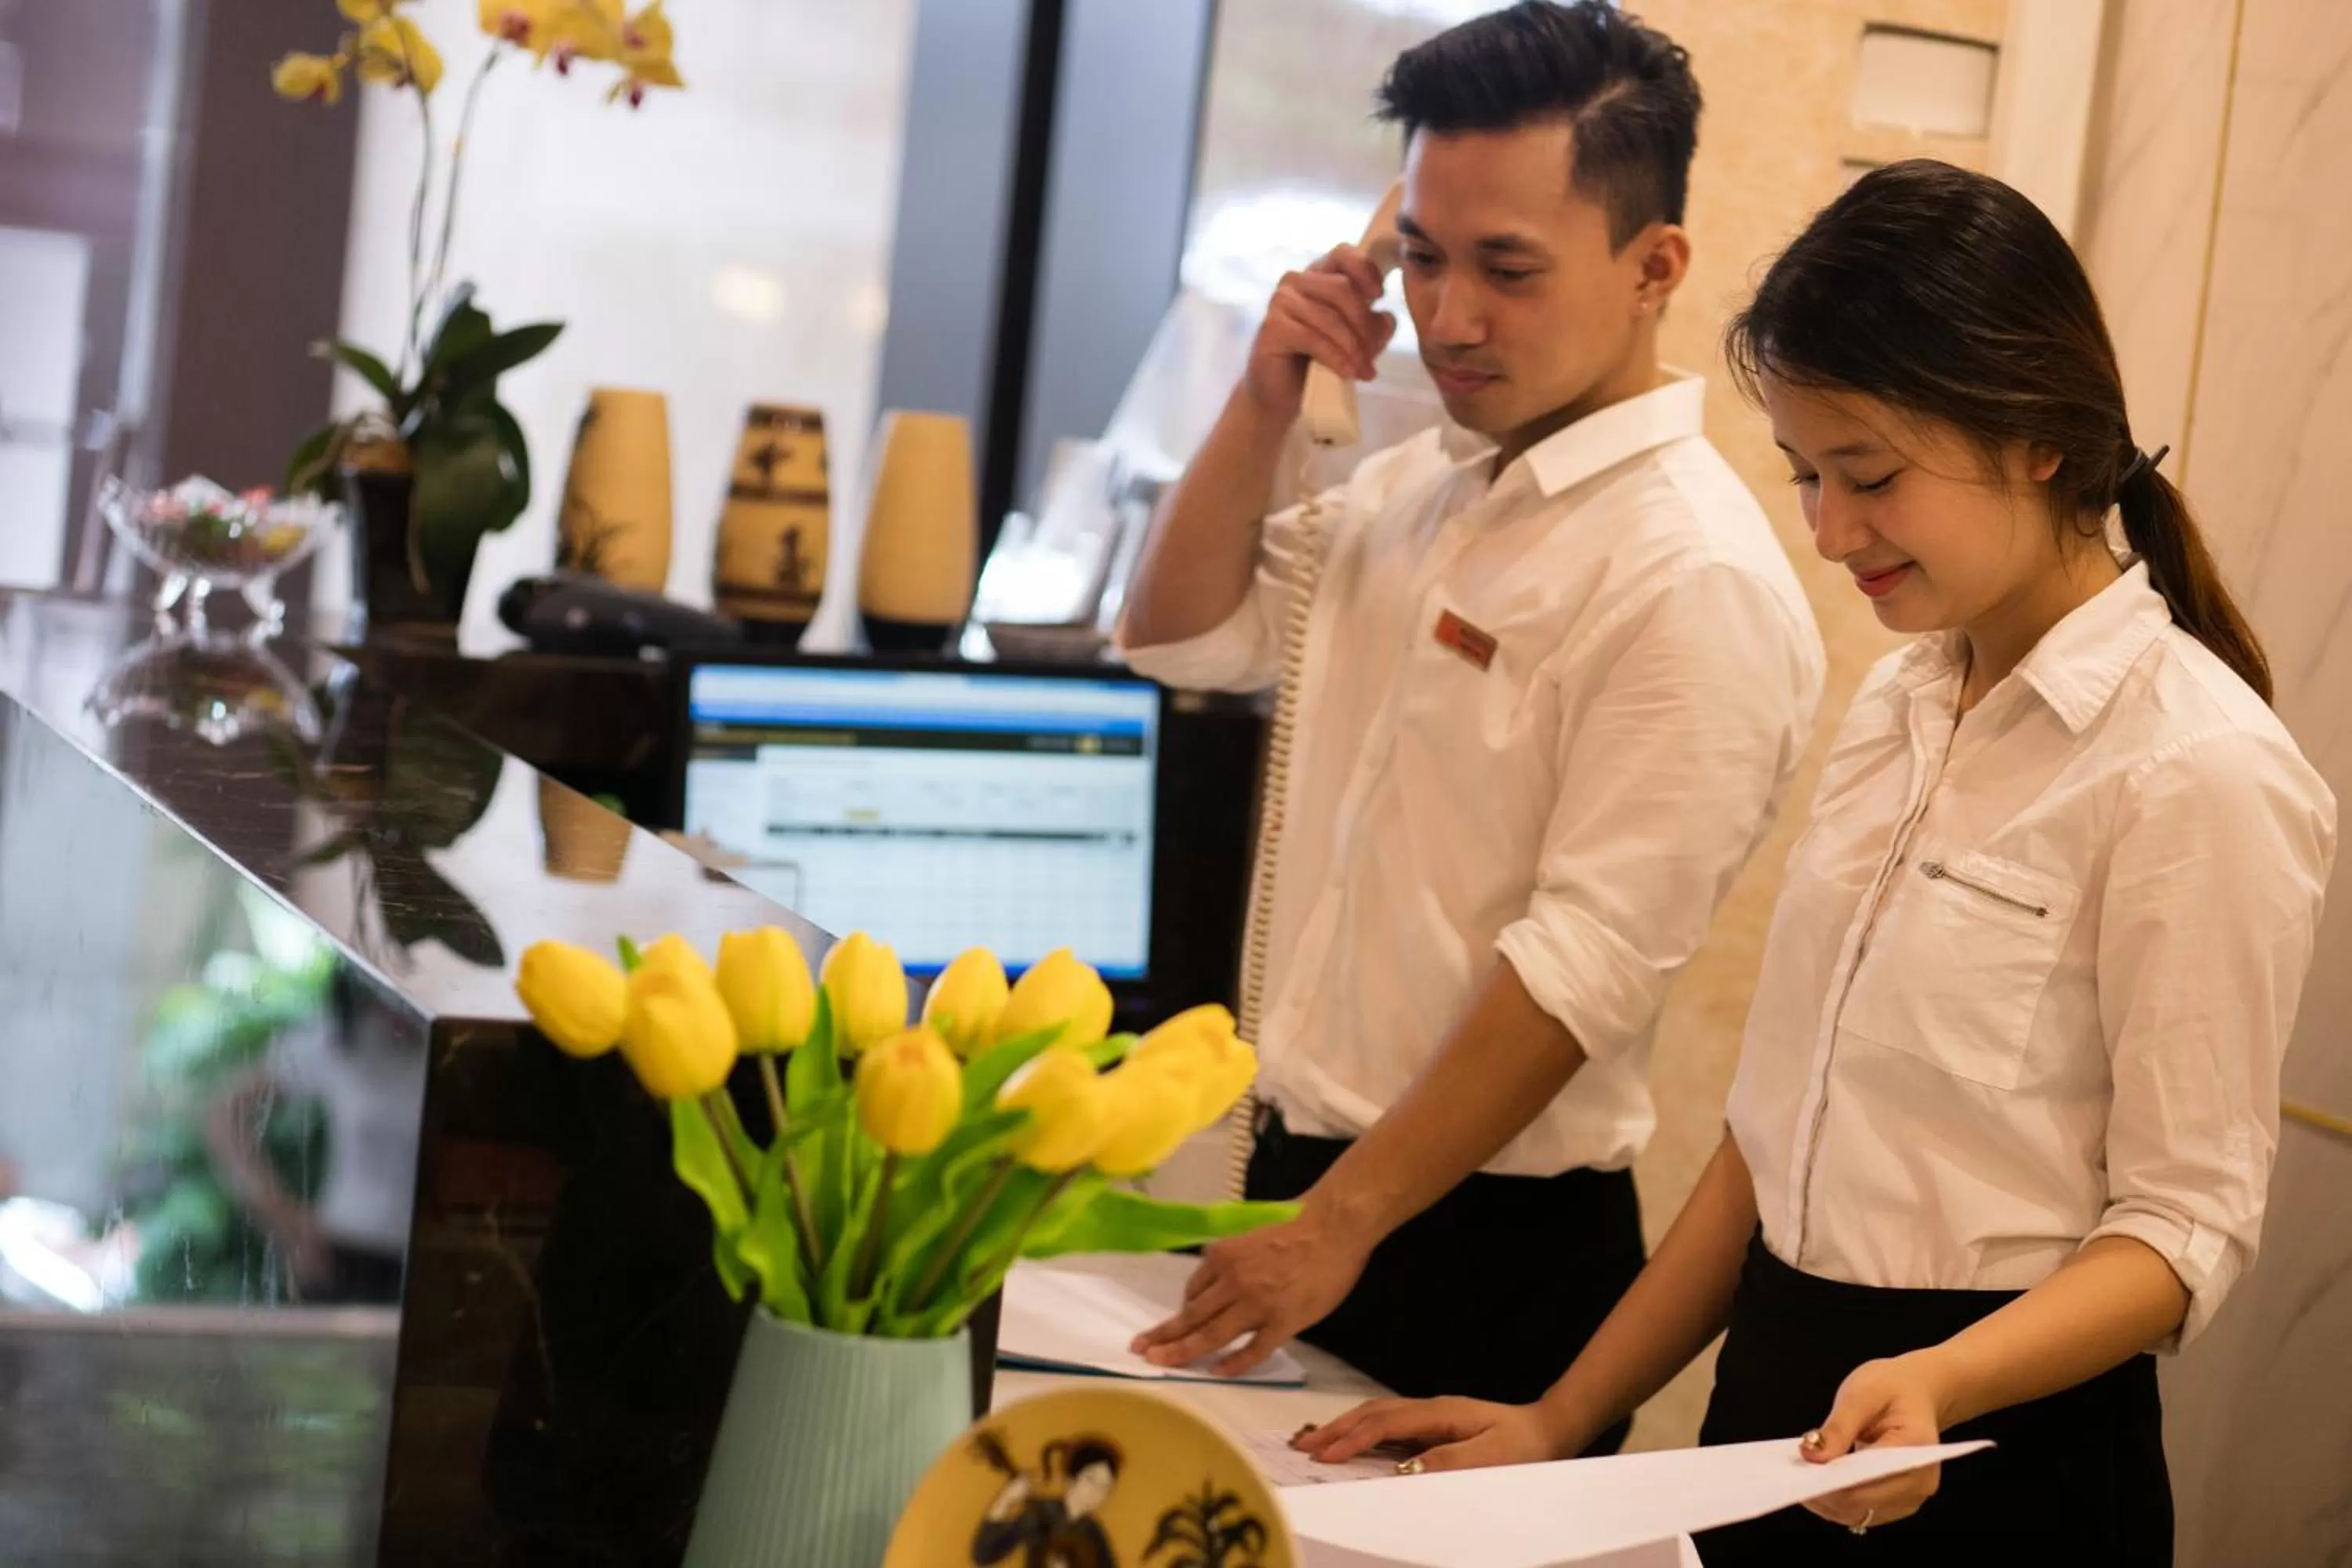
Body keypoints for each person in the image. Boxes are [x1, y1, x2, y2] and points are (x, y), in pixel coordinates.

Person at [1294, 158, 2338, 1562]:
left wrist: (1946, 1381)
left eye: (1871, 475)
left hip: (1992, 1460)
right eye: (1804, 474)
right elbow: (1771, 1139)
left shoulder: (2196, 764)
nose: (1831, 532)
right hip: (1774, 1424)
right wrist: (1563, 1418)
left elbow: (2183, 1230)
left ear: (2034, 433)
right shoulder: (1902, 703)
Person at [1116, 0, 1824, 1446]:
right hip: (1300, 1184)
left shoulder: (1691, 574)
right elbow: (1174, 633)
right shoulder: (1415, 491)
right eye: (1421, 256)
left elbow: (1586, 964)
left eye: (1507, 269)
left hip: (1478, 1243)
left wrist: (1339, 1223)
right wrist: (1266, 399)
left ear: (1654, 267)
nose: (1447, 317)